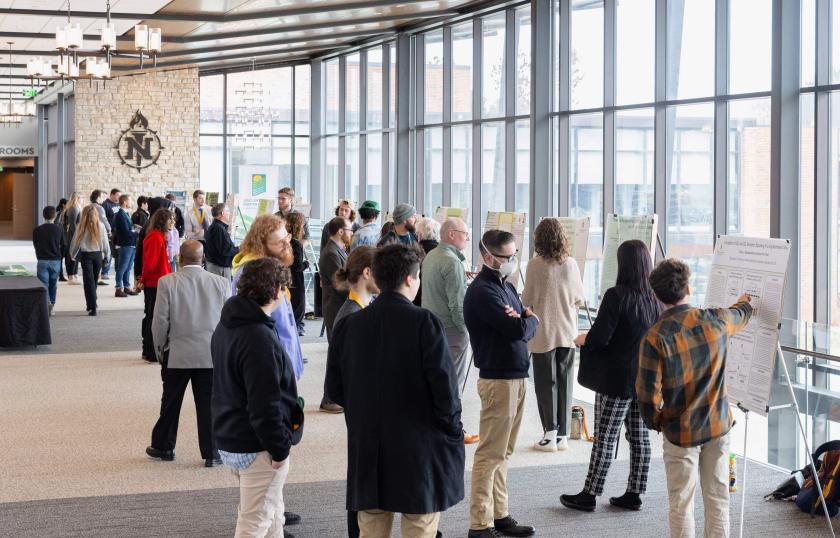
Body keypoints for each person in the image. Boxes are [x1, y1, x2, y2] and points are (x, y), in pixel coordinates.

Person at [326, 244, 465, 538]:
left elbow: (334, 391)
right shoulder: (425, 323)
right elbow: (446, 393)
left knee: (372, 528)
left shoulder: (349, 324)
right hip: (419, 447)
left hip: (368, 448)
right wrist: (454, 430)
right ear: (411, 280)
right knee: (419, 526)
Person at [637, 259, 752, 538]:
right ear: (688, 288)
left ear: (656, 295)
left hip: (680, 432)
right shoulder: (717, 320)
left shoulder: (654, 338)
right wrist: (746, 302)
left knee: (680, 504)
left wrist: (659, 421)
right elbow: (742, 313)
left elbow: (646, 395)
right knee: (718, 498)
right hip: (717, 424)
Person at [559, 240, 660, 513]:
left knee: (605, 437)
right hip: (645, 380)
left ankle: (590, 494)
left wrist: (582, 339)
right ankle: (634, 493)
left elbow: (601, 338)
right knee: (639, 438)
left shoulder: (616, 296)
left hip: (616, 380)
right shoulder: (654, 299)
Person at [212, 257, 304, 538]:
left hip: (231, 432)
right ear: (277, 291)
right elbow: (265, 405)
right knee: (255, 523)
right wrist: (279, 449)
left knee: (273, 512)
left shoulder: (228, 324)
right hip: (256, 444)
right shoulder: (257, 337)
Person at [229, 214, 306, 530]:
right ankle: (269, 509)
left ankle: (275, 511)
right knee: (270, 454)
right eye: (280, 242)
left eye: (288, 239)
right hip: (268, 366)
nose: (288, 245)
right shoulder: (251, 273)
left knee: (275, 469)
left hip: (281, 363)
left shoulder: (269, 269)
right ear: (262, 244)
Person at [465, 229, 538, 538]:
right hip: (498, 380)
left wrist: (523, 318)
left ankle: (500, 513)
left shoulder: (504, 287)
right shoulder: (483, 292)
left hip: (517, 377)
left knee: (504, 452)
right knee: (490, 454)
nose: (511, 261)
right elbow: (518, 329)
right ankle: (480, 524)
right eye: (506, 257)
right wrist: (528, 319)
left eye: (514, 255)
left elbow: (520, 321)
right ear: (487, 256)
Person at [147, 240, 230, 467]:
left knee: (171, 403)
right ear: (202, 258)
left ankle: (164, 446)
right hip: (210, 355)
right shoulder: (221, 283)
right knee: (209, 406)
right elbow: (227, 323)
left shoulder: (167, 282)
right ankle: (212, 453)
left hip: (177, 353)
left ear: (179, 259)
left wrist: (159, 349)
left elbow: (160, 321)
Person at [326, 245, 378, 538]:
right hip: (360, 409)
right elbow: (339, 377)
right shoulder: (351, 314)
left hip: (364, 407)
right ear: (367, 273)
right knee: (359, 478)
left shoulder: (363, 308)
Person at [521, 219, 585, 452]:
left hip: (543, 332)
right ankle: (564, 436)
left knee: (545, 383)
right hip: (567, 332)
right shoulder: (571, 264)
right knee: (565, 382)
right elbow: (578, 298)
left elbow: (526, 300)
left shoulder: (534, 265)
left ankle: (549, 433)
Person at [421, 217, 479, 445]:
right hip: (452, 330)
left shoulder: (431, 256)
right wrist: (468, 330)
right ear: (452, 235)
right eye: (465, 233)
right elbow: (457, 305)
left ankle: (434, 425)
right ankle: (453, 429)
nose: (468, 237)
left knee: (435, 379)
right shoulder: (452, 262)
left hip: (431, 327)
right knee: (453, 382)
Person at [319, 216, 353, 414]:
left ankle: (334, 396)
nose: (351, 233)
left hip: (339, 308)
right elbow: (341, 285)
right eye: (349, 229)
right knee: (336, 356)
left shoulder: (339, 250)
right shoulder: (331, 253)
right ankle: (328, 398)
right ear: (340, 231)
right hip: (335, 309)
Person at [140, 208, 175, 363]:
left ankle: (150, 350)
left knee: (155, 316)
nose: (173, 222)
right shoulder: (155, 237)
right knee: (153, 317)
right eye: (170, 219)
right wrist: (143, 280)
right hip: (154, 283)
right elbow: (150, 263)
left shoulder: (160, 236)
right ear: (162, 220)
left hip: (159, 282)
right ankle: (150, 351)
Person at [69, 205, 111, 316]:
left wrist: (72, 254)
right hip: (98, 256)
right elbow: (105, 243)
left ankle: (92, 306)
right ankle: (93, 302)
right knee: (94, 280)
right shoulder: (101, 226)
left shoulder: (81, 226)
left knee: (89, 282)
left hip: (86, 256)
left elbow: (75, 242)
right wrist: (107, 255)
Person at [134, 197, 175, 292]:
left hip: (160, 279)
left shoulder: (159, 233)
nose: (173, 221)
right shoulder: (154, 234)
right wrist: (141, 278)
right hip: (155, 281)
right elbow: (149, 262)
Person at [33, 205, 64, 315]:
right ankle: (52, 303)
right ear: (55, 216)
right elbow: (63, 245)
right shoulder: (59, 229)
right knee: (53, 284)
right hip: (55, 260)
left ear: (43, 216)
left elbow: (35, 245)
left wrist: (39, 256)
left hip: (42, 260)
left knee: (43, 285)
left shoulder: (37, 230)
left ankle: (47, 303)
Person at [286, 212, 308, 336]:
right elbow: (298, 266)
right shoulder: (296, 244)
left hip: (286, 281)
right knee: (297, 313)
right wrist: (307, 264)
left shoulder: (284, 242)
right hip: (296, 282)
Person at [113, 194, 140, 297]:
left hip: (130, 244)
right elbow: (126, 232)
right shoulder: (120, 214)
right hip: (126, 244)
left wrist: (134, 227)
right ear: (124, 202)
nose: (131, 202)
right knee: (122, 267)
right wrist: (137, 232)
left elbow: (128, 228)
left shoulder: (125, 213)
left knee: (128, 267)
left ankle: (127, 287)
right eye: (130, 200)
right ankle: (118, 289)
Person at [205, 203, 239, 279]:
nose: (229, 213)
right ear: (222, 213)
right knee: (223, 290)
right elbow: (225, 250)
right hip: (219, 268)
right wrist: (240, 248)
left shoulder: (217, 227)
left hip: (216, 267)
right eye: (228, 211)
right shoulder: (218, 228)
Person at [90, 190, 112, 285]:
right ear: (98, 198)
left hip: (90, 234)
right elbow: (104, 220)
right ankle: (98, 278)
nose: (104, 199)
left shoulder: (88, 207)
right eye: (102, 196)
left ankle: (95, 277)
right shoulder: (99, 208)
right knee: (101, 255)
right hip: (99, 233)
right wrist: (109, 229)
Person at [60, 192, 83, 285]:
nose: (82, 199)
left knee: (75, 256)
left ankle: (74, 274)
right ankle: (71, 276)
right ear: (77, 198)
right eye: (81, 197)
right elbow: (72, 225)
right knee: (71, 256)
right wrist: (77, 236)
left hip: (74, 235)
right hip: (72, 237)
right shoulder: (73, 208)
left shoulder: (76, 208)